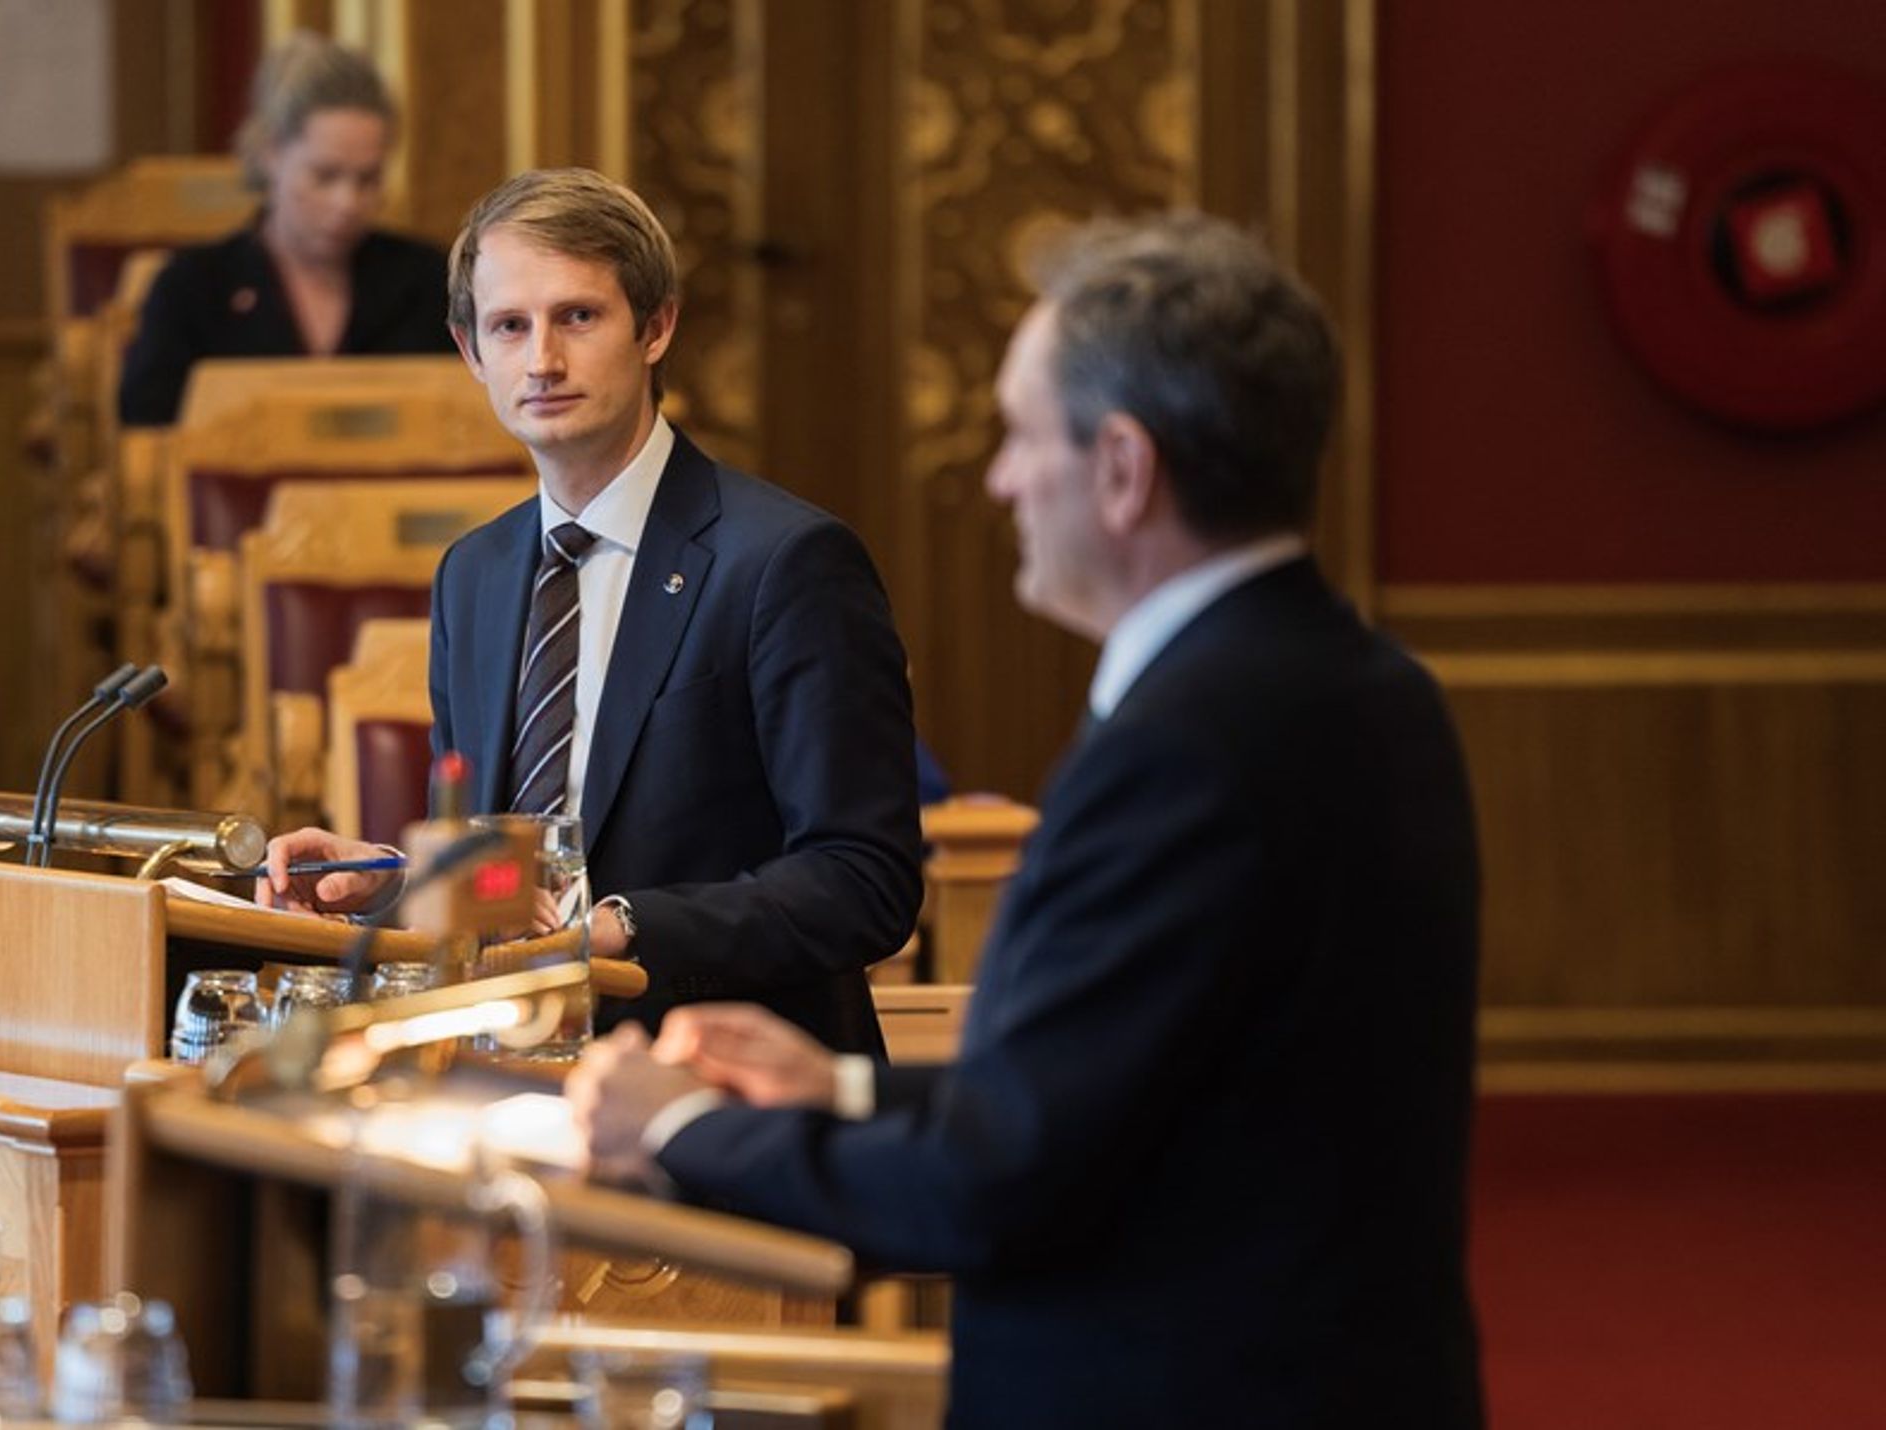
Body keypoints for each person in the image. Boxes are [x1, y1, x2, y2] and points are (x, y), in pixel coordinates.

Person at [568, 214, 1486, 1429]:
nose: (998, 478)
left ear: (1123, 468)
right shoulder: (1373, 685)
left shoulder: (1181, 750)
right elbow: (1128, 1098)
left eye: (1019, 433)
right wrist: (838, 1088)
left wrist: (679, 1127)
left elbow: (998, 1186)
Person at [263, 168, 921, 1054]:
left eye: (577, 317)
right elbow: (510, 880)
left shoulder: (786, 562)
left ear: (657, 327)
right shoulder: (474, 574)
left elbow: (864, 879)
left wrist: (617, 927)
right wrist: (385, 881)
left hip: (718, 1078)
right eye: (509, 326)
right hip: (510, 1067)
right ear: (470, 352)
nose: (542, 361)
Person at [115, 32, 452, 427]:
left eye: (368, 179)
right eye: (325, 176)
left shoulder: (428, 281)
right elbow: (148, 434)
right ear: (271, 154)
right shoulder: (192, 287)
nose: (347, 202)